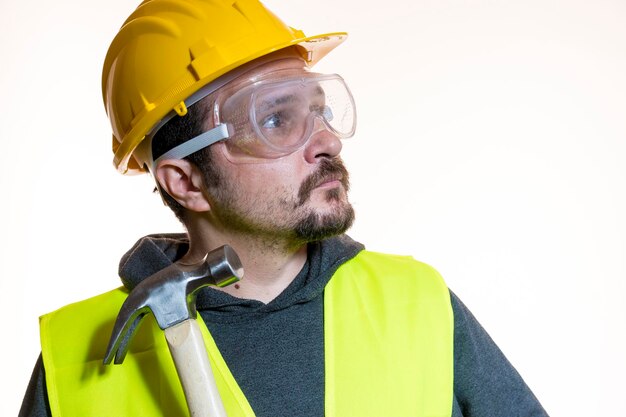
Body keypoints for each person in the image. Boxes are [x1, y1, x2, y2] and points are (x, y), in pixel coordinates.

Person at [19, 0, 549, 416]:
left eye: (319, 110)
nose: (327, 142)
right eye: (275, 120)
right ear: (187, 181)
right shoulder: (73, 359)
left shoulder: (417, 304)